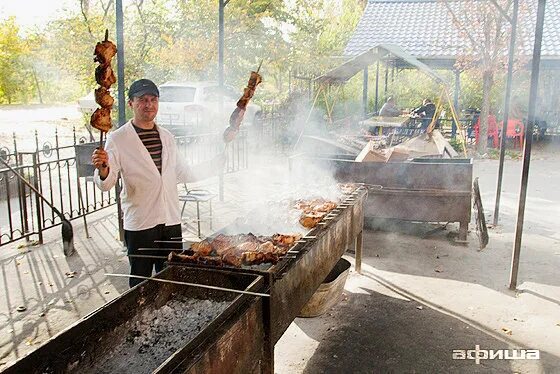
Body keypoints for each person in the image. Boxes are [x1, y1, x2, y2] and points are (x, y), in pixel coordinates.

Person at [91, 78, 224, 287]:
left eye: (153, 99)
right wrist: (104, 168)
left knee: (173, 277)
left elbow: (182, 172)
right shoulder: (118, 139)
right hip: (141, 223)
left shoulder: (167, 137)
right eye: (142, 99)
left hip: (170, 221)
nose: (148, 104)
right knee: (140, 282)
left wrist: (212, 166)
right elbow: (106, 184)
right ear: (131, 104)